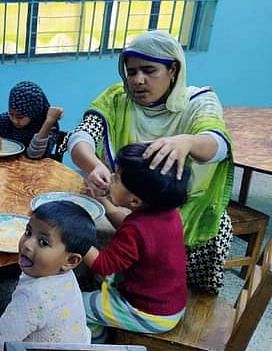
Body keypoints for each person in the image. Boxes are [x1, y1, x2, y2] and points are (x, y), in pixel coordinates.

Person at [65, 30, 234, 293]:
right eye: (131, 72)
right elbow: (81, 136)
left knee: (216, 226)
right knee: (79, 212)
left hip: (183, 206)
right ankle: (109, 288)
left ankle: (174, 296)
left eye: (149, 70)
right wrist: (95, 165)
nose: (138, 80)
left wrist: (188, 142)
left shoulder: (199, 102)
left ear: (173, 70)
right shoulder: (117, 99)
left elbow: (218, 144)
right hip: (127, 196)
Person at [82, 143, 190, 343]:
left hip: (147, 311)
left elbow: (102, 265)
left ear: (134, 202)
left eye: (117, 178)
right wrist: (104, 200)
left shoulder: (136, 228)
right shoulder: (167, 212)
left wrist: (74, 235)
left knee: (77, 306)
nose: (111, 178)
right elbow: (135, 235)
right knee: (98, 284)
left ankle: (98, 345)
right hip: (170, 301)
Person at [0, 201, 94, 351]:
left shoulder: (33, 296)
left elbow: (1, 343)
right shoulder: (65, 273)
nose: (27, 244)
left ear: (71, 261)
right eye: (28, 231)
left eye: (43, 242)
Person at [0, 81, 63, 159]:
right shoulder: (8, 120)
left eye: (20, 117)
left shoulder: (48, 128)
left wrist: (49, 122)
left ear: (33, 113)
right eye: (11, 114)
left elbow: (34, 155)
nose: (14, 120)